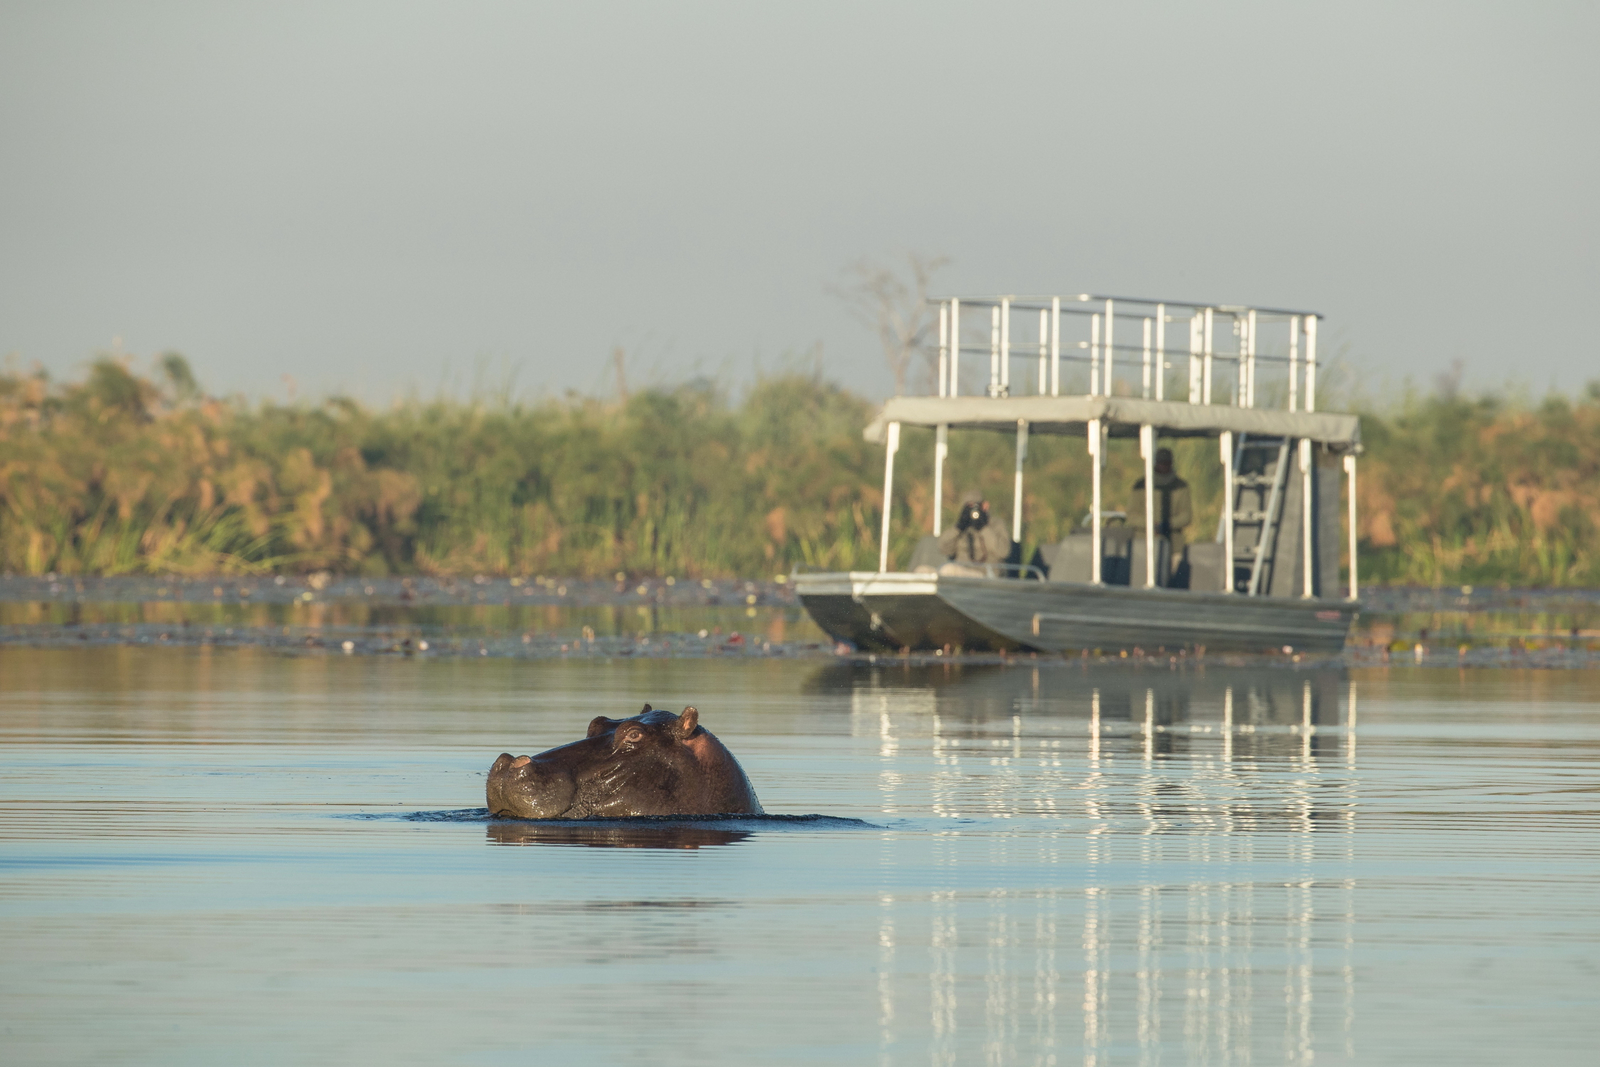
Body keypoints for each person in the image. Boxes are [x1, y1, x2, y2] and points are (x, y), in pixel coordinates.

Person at [1131, 447, 1192, 554]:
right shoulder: (1140, 486)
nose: (1163, 466)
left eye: (1166, 462)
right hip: (1144, 545)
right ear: (1155, 463)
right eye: (1161, 462)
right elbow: (1132, 515)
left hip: (1174, 547)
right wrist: (1151, 525)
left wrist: (1168, 525)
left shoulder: (1181, 486)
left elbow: (1186, 516)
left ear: (1171, 463)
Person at [937, 489, 1013, 574]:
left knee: (949, 570)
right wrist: (959, 527)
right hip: (961, 573)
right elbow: (943, 548)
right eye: (968, 507)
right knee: (926, 571)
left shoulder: (996, 524)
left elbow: (1003, 551)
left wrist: (983, 528)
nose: (973, 511)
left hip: (986, 574)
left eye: (976, 507)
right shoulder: (961, 527)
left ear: (985, 506)